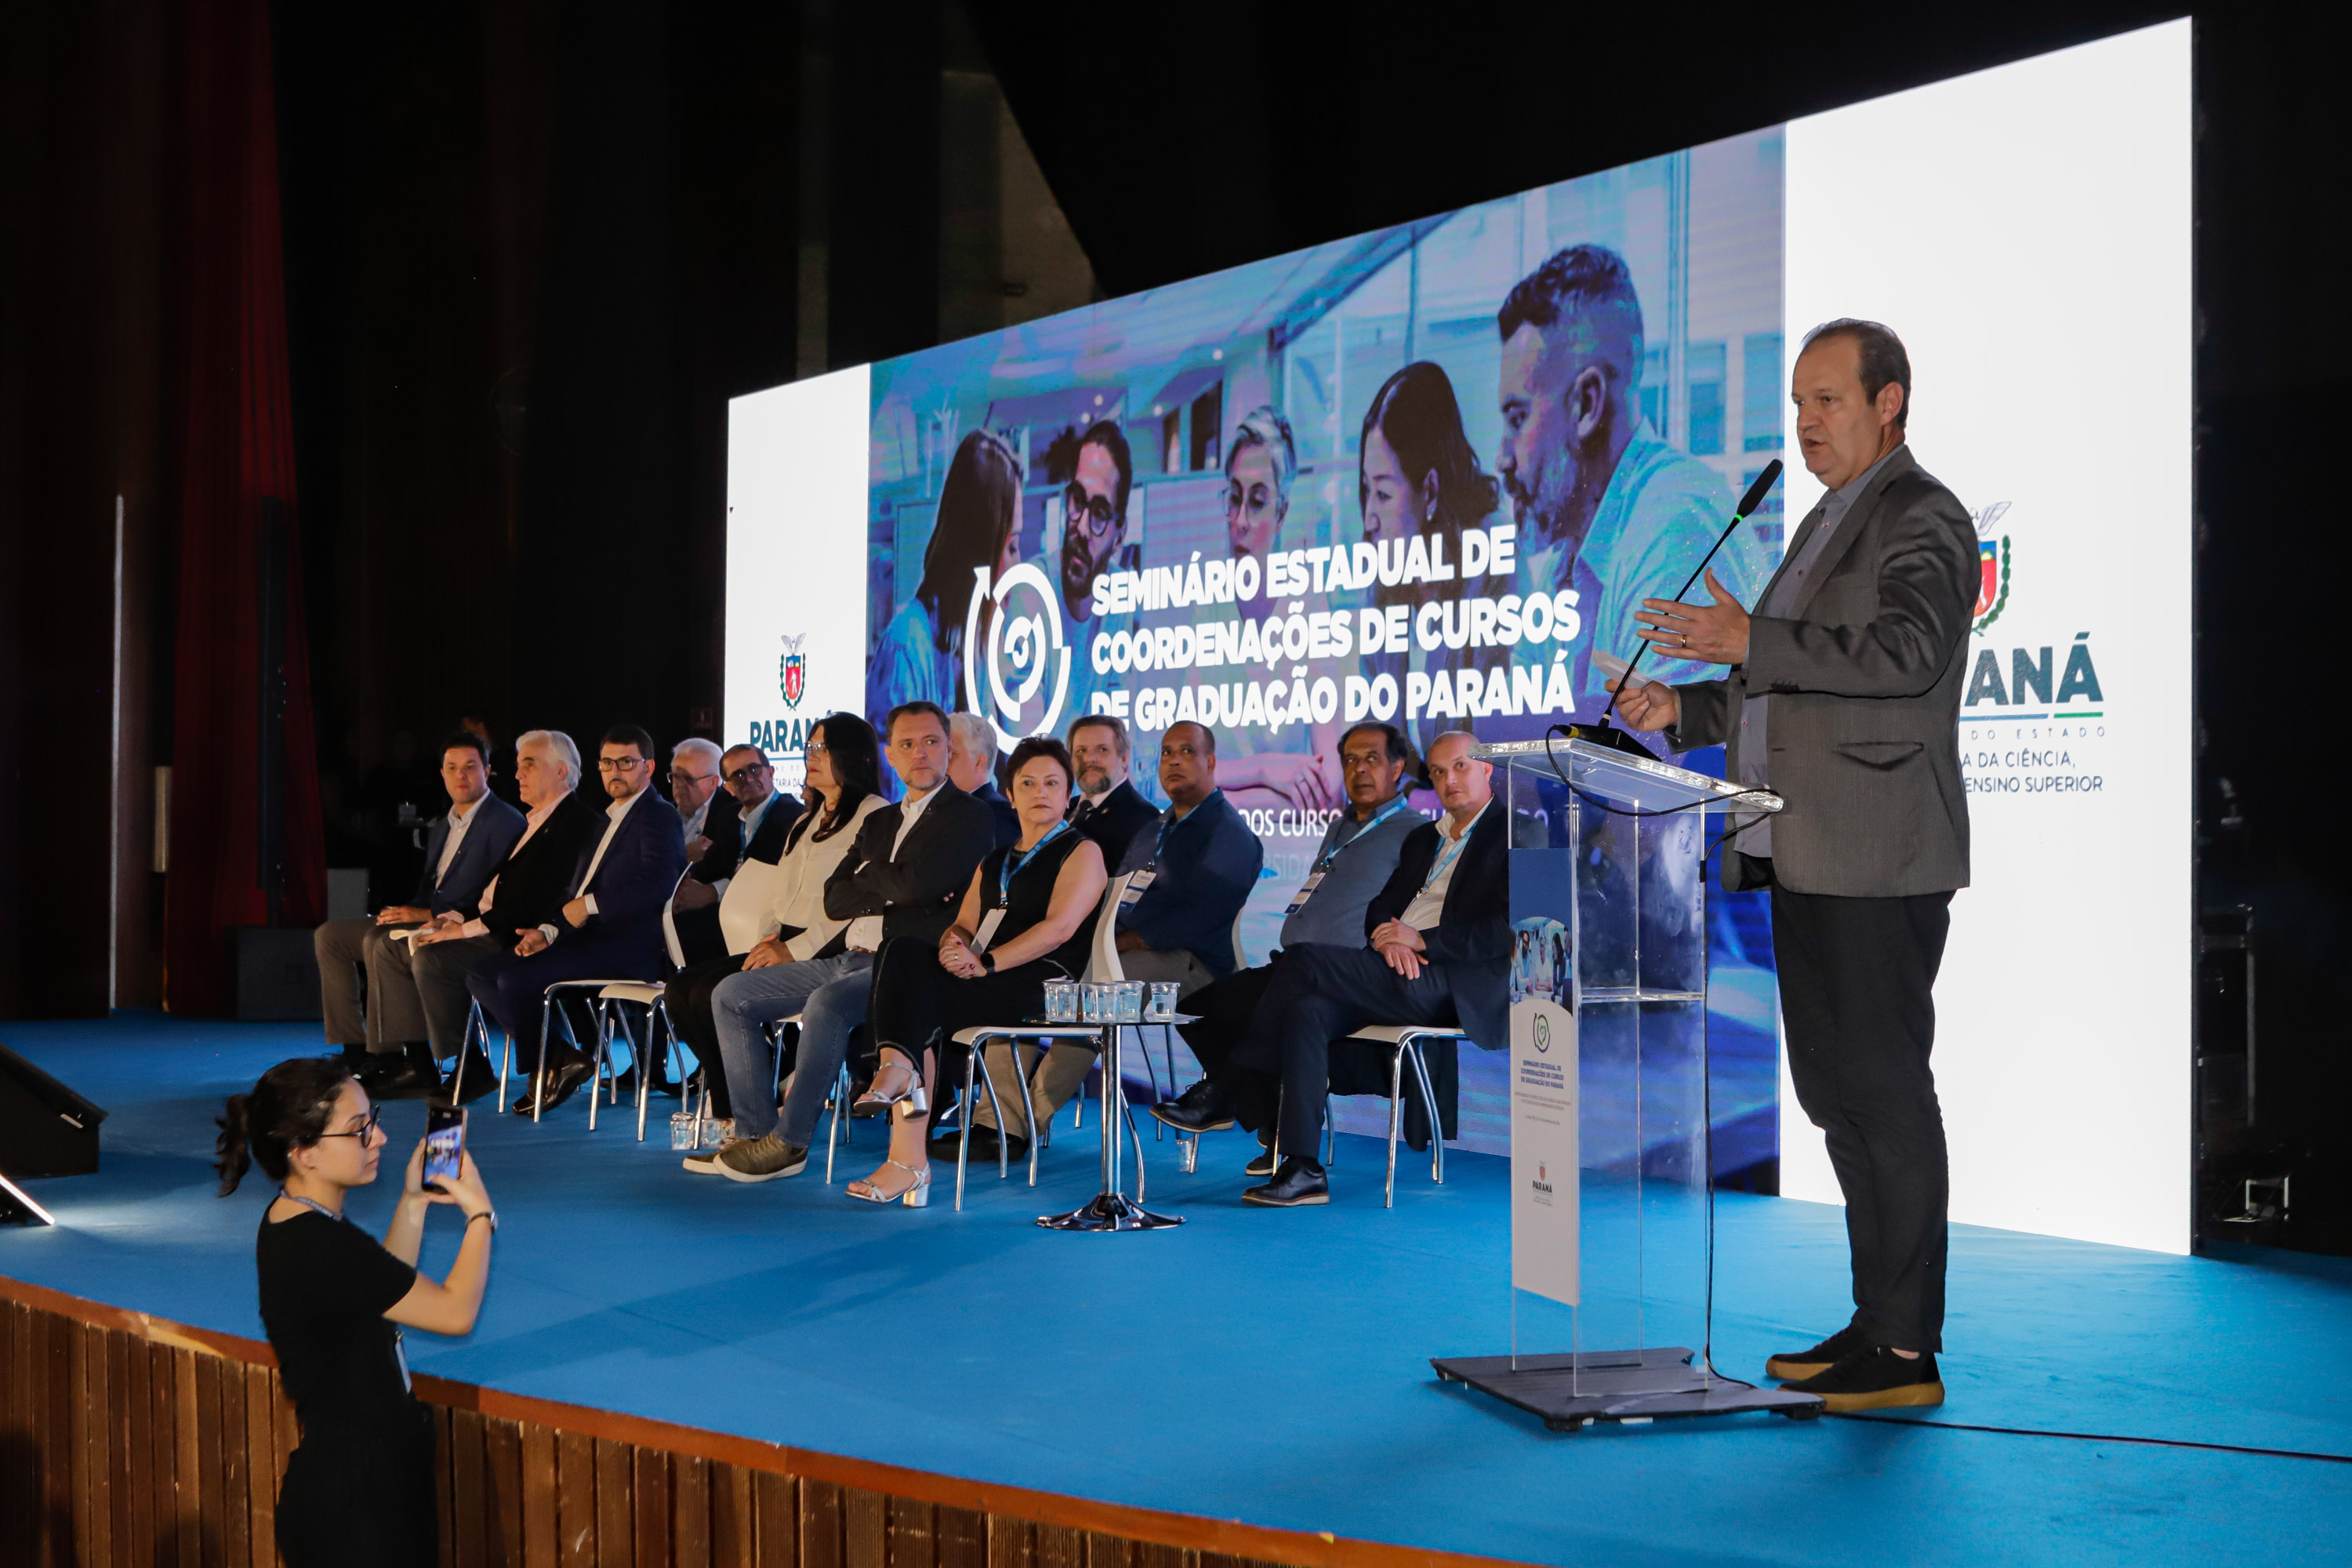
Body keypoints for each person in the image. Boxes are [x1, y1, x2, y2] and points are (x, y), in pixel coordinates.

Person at [1610, 318, 1973, 1413]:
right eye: (1798, 404)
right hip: (1802, 847)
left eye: (1828, 401)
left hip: (1876, 849)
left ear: (1889, 402)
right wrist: (1689, 705)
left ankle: (1908, 1354)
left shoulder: (1924, 514)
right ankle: (1878, 1324)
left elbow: (1907, 657)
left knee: (1884, 1093)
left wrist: (1743, 646)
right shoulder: (1826, 518)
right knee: (1838, 1095)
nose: (1807, 423)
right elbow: (1794, 682)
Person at [214, 1057, 495, 1567]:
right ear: (304, 1153)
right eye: (359, 1130)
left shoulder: (299, 1221)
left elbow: (379, 1293)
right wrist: (480, 1216)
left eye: (374, 1120)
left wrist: (413, 1202)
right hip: (357, 1505)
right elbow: (455, 1313)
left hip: (359, 1486)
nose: (380, 1139)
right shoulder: (319, 1243)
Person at [699, 702, 996, 1182]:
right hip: (847, 956)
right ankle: (755, 1137)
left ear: (948, 749)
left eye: (931, 743)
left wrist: (875, 877)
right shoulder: (879, 823)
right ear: (890, 756)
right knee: (731, 994)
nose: (919, 753)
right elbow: (836, 899)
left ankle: (790, 1144)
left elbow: (918, 890)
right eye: (906, 745)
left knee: (826, 1005)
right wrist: (897, 882)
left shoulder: (970, 816)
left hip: (906, 965)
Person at [1210, 729, 1508, 1206]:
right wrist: (1387, 938)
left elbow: (1512, 929)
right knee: (1306, 1010)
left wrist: (1421, 940)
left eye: (1460, 767)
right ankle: (1302, 1166)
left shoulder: (1516, 833)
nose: (1448, 780)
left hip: (1448, 981)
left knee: (1304, 960)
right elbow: (1379, 908)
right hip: (1394, 968)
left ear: (1487, 768)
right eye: (1436, 772)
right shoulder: (1422, 840)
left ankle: (1226, 1086)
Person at [1494, 245, 1771, 734]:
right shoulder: (1571, 558)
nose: (1502, 458)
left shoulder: (1673, 526)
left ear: (1586, 403)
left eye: (1518, 418)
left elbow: (1663, 759)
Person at [1148, 723, 1424, 1165]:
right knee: (1204, 1007)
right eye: (1350, 760)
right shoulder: (1340, 826)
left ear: (1396, 766)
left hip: (1349, 975)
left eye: (1372, 758)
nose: (1359, 770)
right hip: (1296, 964)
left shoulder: (1417, 833)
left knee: (1274, 1013)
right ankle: (1266, 1121)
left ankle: (1223, 1094)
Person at [848, 737, 1109, 1205]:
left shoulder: (1082, 851)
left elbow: (1059, 929)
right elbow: (965, 923)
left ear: (1069, 794)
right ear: (1010, 793)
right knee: (903, 949)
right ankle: (899, 1081)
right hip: (985, 976)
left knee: (917, 1000)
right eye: (1027, 783)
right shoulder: (996, 859)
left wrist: (985, 963)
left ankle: (905, 1151)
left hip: (1042, 983)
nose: (1039, 792)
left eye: (1052, 783)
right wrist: (954, 945)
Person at [987, 720, 1261, 1146]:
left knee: (1096, 992)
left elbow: (1199, 917)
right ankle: (996, 1120)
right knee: (1025, 977)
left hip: (1193, 967)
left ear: (1211, 763)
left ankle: (1025, 1119)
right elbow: (1117, 900)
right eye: (1167, 753)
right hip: (1121, 956)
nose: (1173, 761)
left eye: (1186, 752)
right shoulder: (1156, 828)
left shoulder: (1229, 833)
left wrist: (1118, 944)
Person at [664, 719, 883, 1135]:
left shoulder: (876, 815)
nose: (811, 757)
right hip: (783, 939)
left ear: (852, 756)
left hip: (828, 949)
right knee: (681, 990)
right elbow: (781, 890)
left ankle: (746, 1120)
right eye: (810, 748)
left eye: (823, 749)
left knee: (713, 993)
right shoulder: (807, 819)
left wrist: (791, 949)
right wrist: (768, 935)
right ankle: (734, 1111)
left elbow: (860, 905)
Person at [466, 725, 688, 1114]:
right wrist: (548, 930)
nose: (614, 771)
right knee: (482, 973)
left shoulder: (658, 815)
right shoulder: (606, 819)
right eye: (607, 763)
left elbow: (659, 883)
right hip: (585, 938)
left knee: (515, 977)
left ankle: (545, 1068)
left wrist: (591, 906)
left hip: (628, 945)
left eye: (626, 763)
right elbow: (573, 892)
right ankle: (560, 1058)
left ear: (648, 767)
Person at [316, 733, 524, 1098]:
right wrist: (408, 912)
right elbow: (431, 887)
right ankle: (355, 1050)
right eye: (452, 768)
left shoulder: (504, 822)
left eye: (470, 768)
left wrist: (425, 913)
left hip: (465, 925)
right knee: (330, 936)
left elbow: (490, 896)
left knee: (380, 943)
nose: (461, 776)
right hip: (427, 914)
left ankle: (407, 1058)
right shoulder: (443, 825)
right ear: (442, 774)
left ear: (488, 771)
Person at [408, 731, 606, 1098]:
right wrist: (453, 918)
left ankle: (473, 1064)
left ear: (561, 771)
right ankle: (550, 1057)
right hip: (505, 927)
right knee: (416, 947)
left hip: (534, 935)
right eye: (517, 767)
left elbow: (535, 900)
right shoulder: (538, 819)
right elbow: (497, 889)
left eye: (528, 765)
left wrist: (464, 931)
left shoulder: (576, 823)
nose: (517, 775)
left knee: (437, 961)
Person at [1356, 362, 1506, 754]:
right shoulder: (1382, 591)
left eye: (1384, 495)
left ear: (1431, 491)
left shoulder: (1493, 565)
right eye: (1365, 491)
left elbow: (1500, 743)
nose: (1369, 517)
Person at [1204, 407, 1348, 813]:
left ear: (1282, 513)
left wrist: (1231, 791)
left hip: (1289, 850)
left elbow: (1331, 787)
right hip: (1220, 842)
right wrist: (1267, 770)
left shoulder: (1309, 607)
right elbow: (1189, 773)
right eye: (1233, 499)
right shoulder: (1207, 604)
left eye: (1258, 502)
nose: (1241, 521)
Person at [867, 429, 1024, 730]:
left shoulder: (979, 648)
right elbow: (894, 773)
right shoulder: (908, 646)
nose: (1019, 565)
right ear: (979, 549)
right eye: (1012, 546)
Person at [669, 743, 802, 967]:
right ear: (728, 787)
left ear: (770, 772)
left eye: (754, 769)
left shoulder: (792, 816)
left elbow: (768, 875)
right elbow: (713, 863)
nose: (748, 779)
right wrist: (686, 886)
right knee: (675, 923)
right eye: (738, 775)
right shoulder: (728, 817)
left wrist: (713, 892)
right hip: (727, 913)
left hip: (767, 918)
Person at [1051, 420, 1136, 732]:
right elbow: (1028, 752)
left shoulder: (1119, 598)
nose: (1082, 528)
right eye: (1077, 501)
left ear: (1119, 536)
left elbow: (1116, 731)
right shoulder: (1030, 591)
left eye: (1099, 513)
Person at [1065, 713, 1157, 869]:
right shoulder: (1063, 809)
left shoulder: (1145, 819)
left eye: (1102, 749)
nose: (1090, 759)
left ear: (1125, 758)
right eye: (1081, 751)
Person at [948, 710, 1020, 846]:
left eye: (951, 755)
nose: (942, 762)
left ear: (979, 762)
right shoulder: (931, 812)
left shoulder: (1000, 817)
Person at [669, 738, 726, 851]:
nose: (679, 784)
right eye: (675, 776)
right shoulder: (664, 813)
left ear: (713, 782)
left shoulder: (732, 815)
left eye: (688, 778)